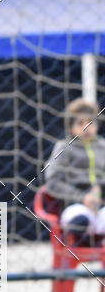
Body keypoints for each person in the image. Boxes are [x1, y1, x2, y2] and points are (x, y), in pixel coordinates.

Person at [44, 98, 105, 240]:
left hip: (102, 207)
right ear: (70, 127)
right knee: (80, 220)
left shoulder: (103, 146)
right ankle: (78, 243)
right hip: (74, 206)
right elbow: (53, 182)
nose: (86, 127)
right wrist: (82, 198)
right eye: (80, 123)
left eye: (90, 122)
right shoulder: (64, 148)